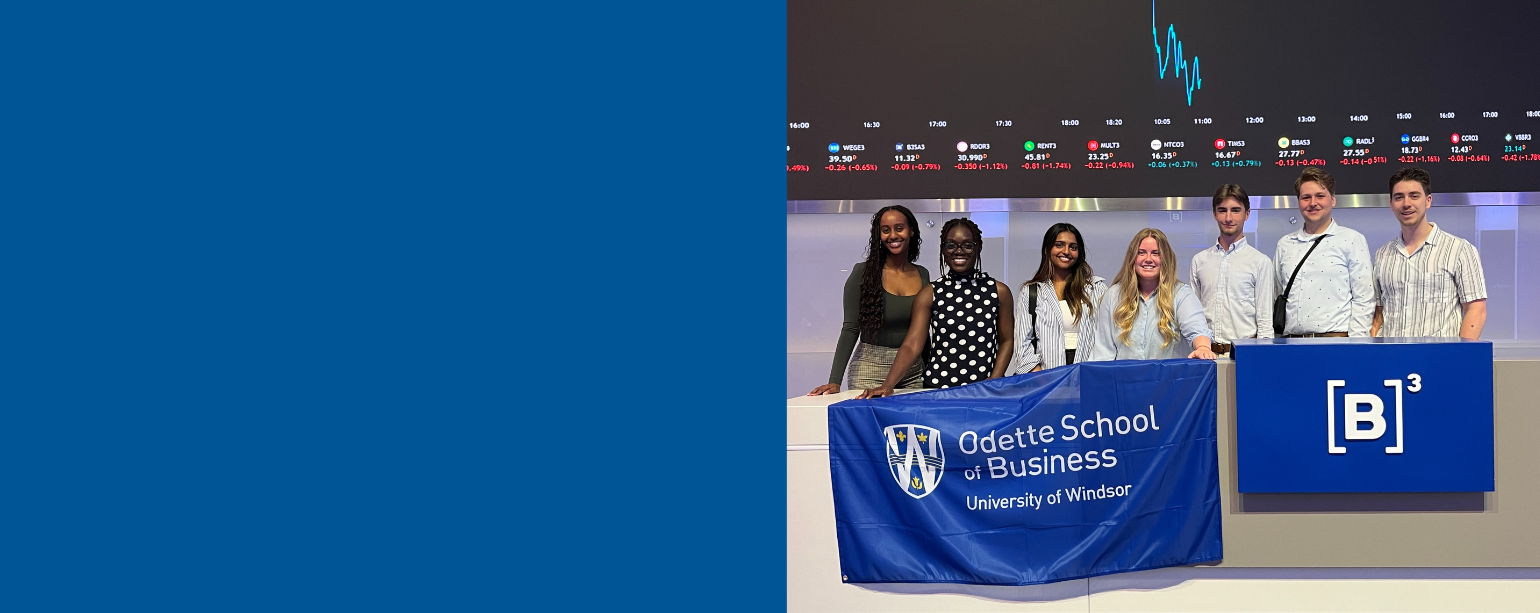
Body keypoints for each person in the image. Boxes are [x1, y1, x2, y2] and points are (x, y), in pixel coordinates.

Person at [859, 218, 1014, 397]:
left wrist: (995, 378)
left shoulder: (999, 291)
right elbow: (912, 344)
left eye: (967, 245)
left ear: (978, 247)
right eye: (951, 246)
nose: (959, 251)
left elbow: (1007, 341)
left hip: (983, 390)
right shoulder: (930, 293)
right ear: (943, 249)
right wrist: (888, 384)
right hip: (938, 389)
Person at [809, 205, 932, 395]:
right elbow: (850, 328)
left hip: (912, 372)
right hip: (869, 369)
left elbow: (922, 332)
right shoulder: (863, 273)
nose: (893, 235)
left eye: (899, 228)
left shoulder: (922, 273)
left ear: (912, 231)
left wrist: (930, 370)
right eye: (885, 230)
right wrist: (834, 381)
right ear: (878, 236)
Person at [1370, 168, 1487, 339]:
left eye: (1414, 196)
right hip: (1391, 357)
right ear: (1391, 204)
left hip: (1439, 358)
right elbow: (1378, 314)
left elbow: (1476, 309)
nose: (1406, 203)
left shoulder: (1459, 249)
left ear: (1428, 201)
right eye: (1399, 197)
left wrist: (1460, 354)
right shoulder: (1383, 254)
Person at [1084, 228, 1216, 361]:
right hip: (1125, 380)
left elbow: (1197, 329)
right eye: (1141, 253)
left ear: (1165, 258)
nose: (1148, 259)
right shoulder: (1113, 295)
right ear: (1132, 258)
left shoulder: (1181, 294)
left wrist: (1203, 347)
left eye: (1155, 253)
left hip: (1168, 380)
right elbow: (1103, 351)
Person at [1272, 167, 1375, 337]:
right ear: (1298, 202)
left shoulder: (1351, 239)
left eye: (1320, 196)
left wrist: (1356, 346)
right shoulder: (1285, 244)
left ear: (1332, 200)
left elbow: (1364, 298)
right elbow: (1276, 295)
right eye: (1306, 197)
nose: (1313, 203)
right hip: (1291, 345)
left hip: (1335, 344)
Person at [1008, 223, 1107, 374]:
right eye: (1059, 245)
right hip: (1045, 381)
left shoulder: (1096, 288)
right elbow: (1022, 343)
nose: (1066, 251)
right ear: (1048, 249)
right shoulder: (1031, 291)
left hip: (1089, 377)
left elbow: (1108, 337)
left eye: (1073, 247)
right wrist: (1041, 378)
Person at [1190, 184, 1275, 356]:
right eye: (1222, 210)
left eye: (1236, 210)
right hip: (1207, 355)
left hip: (1245, 356)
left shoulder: (1260, 262)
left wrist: (1265, 358)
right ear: (1214, 214)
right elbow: (1193, 317)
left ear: (1247, 214)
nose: (1228, 217)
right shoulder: (1199, 261)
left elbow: (1265, 321)